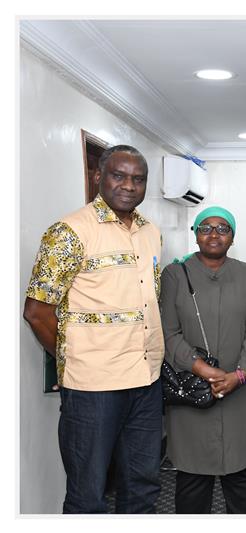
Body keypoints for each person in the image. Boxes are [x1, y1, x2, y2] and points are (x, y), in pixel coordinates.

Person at [23, 145, 163, 513]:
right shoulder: (70, 231)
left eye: (138, 178)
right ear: (98, 176)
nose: (129, 185)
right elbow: (37, 312)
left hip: (146, 381)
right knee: (88, 495)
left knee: (143, 488)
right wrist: (77, 360)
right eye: (119, 175)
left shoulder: (150, 231)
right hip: (93, 388)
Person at [160, 206, 246, 514]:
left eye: (223, 228)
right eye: (206, 227)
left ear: (233, 237)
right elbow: (169, 333)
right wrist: (204, 370)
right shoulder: (174, 275)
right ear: (195, 234)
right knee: (193, 484)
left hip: (242, 393)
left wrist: (239, 375)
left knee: (242, 482)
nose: (214, 234)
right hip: (191, 390)